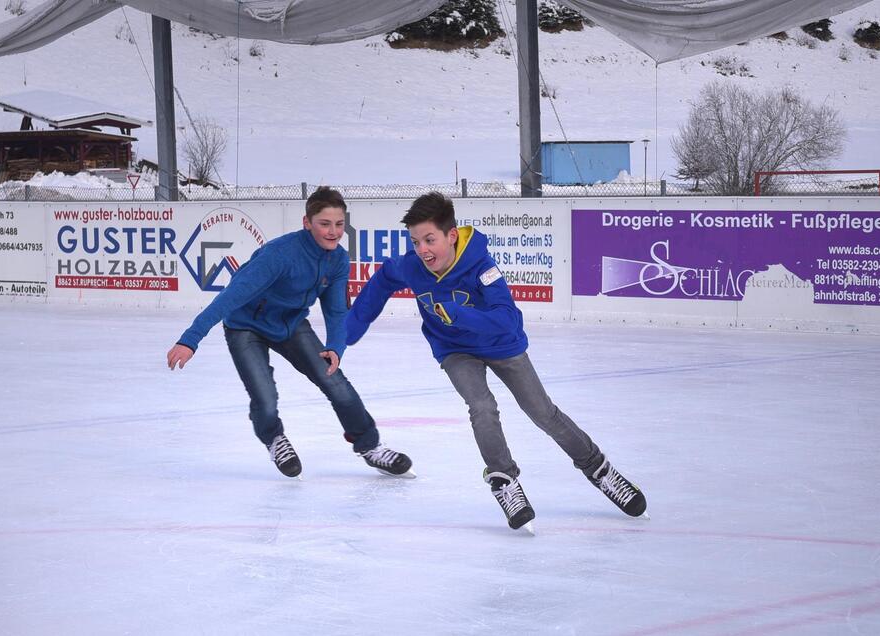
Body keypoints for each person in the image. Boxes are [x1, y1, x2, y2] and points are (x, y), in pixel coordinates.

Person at [345, 192, 646, 531]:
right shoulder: (412, 267)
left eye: (429, 239)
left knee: (543, 413)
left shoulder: (483, 267)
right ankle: (504, 480)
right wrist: (343, 337)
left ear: (452, 235)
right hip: (454, 350)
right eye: (415, 242)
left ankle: (599, 469)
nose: (422, 250)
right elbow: (383, 279)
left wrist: (460, 314)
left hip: (502, 344)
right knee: (481, 406)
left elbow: (507, 319)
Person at [166, 186, 413, 479]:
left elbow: (335, 310)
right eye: (324, 224)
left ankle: (370, 446)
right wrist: (190, 339)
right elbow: (230, 298)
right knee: (265, 397)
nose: (333, 231)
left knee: (335, 382)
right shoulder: (280, 255)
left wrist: (335, 347)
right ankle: (274, 439)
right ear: (307, 222)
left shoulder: (338, 260)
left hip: (292, 324)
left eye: (339, 224)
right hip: (246, 326)